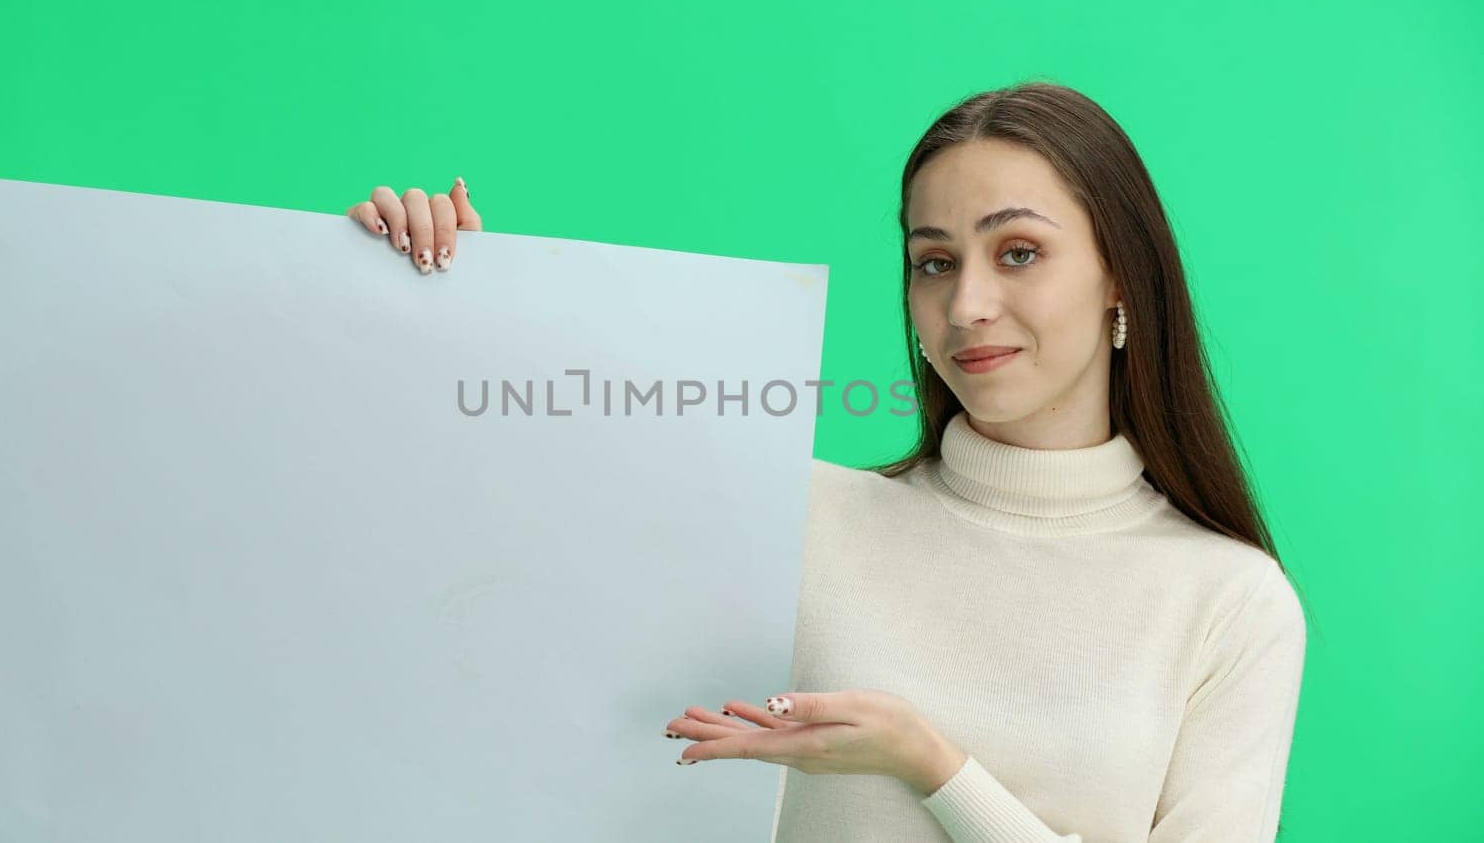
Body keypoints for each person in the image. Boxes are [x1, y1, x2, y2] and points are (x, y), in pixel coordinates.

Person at [344, 81, 1311, 842]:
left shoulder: (1228, 602)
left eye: (1017, 252)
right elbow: (486, 541)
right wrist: (445, 300)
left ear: (1120, 281)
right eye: (933, 261)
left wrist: (931, 766)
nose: (966, 303)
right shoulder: (789, 514)